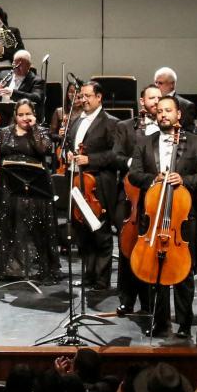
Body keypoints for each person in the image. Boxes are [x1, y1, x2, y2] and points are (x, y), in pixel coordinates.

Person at [126, 94, 197, 338]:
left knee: (183, 273)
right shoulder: (144, 142)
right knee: (155, 272)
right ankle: (159, 321)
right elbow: (134, 174)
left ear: (178, 114)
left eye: (168, 111)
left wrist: (184, 179)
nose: (163, 114)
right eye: (160, 111)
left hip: (183, 219)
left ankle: (184, 323)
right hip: (153, 216)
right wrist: (154, 179)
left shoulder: (196, 143)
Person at [61, 79, 124, 290]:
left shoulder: (111, 122)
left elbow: (115, 155)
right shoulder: (76, 120)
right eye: (82, 96)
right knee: (83, 232)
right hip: (78, 183)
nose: (84, 99)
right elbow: (67, 147)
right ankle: (88, 275)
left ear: (99, 97)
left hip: (99, 185)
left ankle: (101, 279)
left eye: (88, 96)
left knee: (101, 232)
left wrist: (90, 160)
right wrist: (67, 154)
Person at [0, 100, 60, 285]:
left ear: (34, 114)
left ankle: (38, 268)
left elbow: (43, 150)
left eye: (28, 114)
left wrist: (34, 128)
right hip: (10, 186)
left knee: (35, 227)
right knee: (11, 226)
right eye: (20, 115)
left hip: (35, 185)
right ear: (15, 115)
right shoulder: (4, 132)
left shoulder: (42, 132)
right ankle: (12, 268)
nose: (24, 118)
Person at [116, 84, 165, 316]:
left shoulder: (169, 128)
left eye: (159, 98)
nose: (156, 102)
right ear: (142, 101)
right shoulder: (126, 127)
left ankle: (149, 302)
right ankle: (127, 299)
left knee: (151, 250)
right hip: (131, 197)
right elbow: (115, 156)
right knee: (128, 250)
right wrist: (133, 164)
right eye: (151, 98)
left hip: (157, 198)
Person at [0, 50, 44, 126]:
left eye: (20, 64)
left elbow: (36, 98)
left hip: (21, 119)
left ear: (29, 65)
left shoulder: (36, 80)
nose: (16, 66)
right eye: (15, 63)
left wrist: (13, 93)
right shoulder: (3, 74)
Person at [152, 67, 197, 131]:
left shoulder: (185, 106)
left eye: (160, 83)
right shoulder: (152, 102)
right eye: (156, 82)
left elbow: (188, 132)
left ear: (172, 84)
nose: (157, 86)